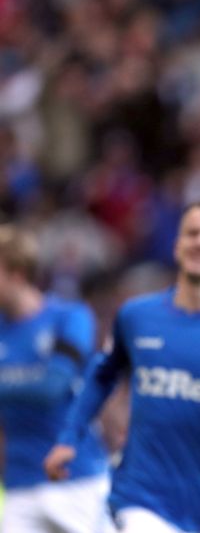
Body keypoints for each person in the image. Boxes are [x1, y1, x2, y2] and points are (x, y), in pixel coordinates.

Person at [44, 201, 200, 533]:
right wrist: (69, 437)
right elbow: (101, 374)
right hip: (144, 498)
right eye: (192, 233)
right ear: (176, 243)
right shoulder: (137, 316)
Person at [0, 225, 110, 533]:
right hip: (20, 482)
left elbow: (54, 385)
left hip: (77, 478)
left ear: (17, 273)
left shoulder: (70, 316)